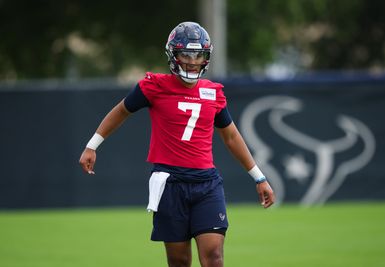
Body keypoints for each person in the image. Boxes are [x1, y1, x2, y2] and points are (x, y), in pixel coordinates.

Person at [79, 21, 275, 267]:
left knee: (213, 257)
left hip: (206, 184)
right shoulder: (154, 86)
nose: (193, 61)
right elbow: (121, 111)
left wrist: (259, 177)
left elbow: (231, 136)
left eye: (199, 55)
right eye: (186, 54)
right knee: (179, 261)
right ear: (173, 54)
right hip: (169, 184)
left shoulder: (213, 93)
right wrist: (92, 145)